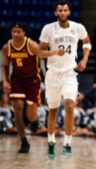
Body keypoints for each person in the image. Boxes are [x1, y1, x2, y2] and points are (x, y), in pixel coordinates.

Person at [39, 0, 91, 159]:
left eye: (65, 10)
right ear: (56, 13)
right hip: (53, 73)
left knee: (69, 106)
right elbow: (40, 52)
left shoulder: (78, 27)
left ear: (69, 12)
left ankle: (68, 142)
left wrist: (84, 60)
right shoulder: (48, 29)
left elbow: (87, 43)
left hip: (70, 73)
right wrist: (54, 52)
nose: (62, 12)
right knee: (53, 110)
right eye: (59, 10)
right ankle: (51, 141)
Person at [1, 23, 64, 153]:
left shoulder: (31, 44)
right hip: (17, 80)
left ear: (24, 33)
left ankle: (34, 121)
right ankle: (24, 141)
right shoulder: (7, 47)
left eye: (19, 31)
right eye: (14, 31)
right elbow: (5, 66)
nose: (16, 34)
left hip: (32, 81)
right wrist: (5, 81)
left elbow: (42, 54)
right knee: (17, 107)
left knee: (31, 114)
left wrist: (56, 52)